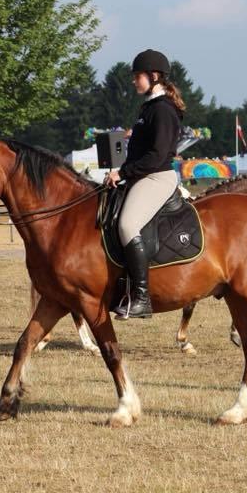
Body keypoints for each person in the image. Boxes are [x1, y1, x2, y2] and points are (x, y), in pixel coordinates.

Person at [104, 49, 185, 320]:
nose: (133, 81)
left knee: (127, 224)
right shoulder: (149, 107)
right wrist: (121, 172)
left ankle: (141, 297)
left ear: (153, 76)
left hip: (157, 177)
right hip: (141, 175)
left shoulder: (163, 109)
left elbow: (158, 155)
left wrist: (123, 172)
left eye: (136, 76)